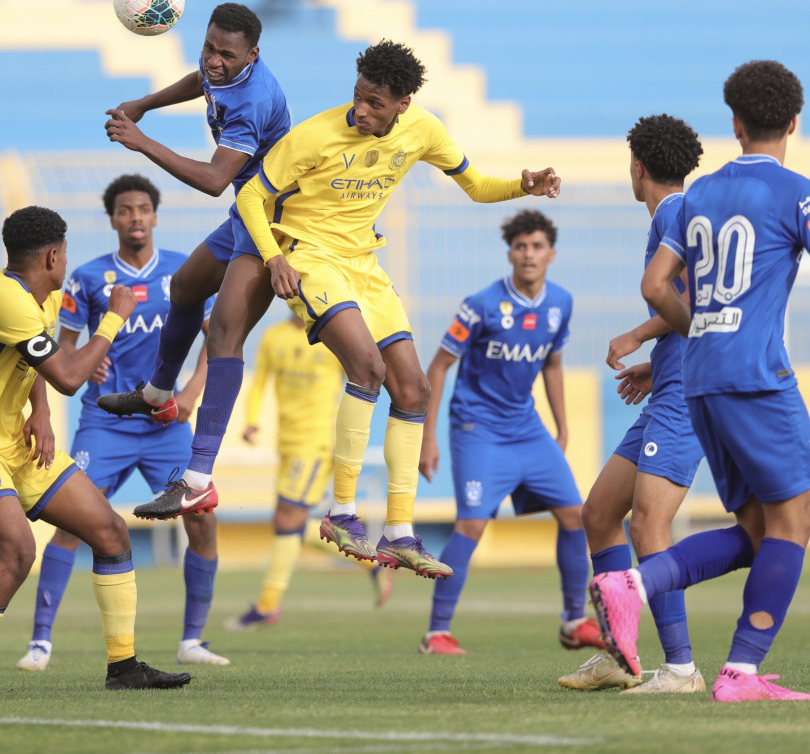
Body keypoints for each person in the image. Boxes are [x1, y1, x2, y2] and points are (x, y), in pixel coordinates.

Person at [590, 60, 810, 702]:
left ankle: (647, 599)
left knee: (758, 531)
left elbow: (654, 286)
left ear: (736, 122)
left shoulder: (697, 195)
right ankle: (717, 654)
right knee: (795, 522)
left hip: (700, 381)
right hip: (758, 379)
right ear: (794, 122)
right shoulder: (799, 192)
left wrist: (702, 329)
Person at [235, 39, 560, 579]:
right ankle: (342, 514)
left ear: (403, 103)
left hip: (365, 263)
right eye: (358, 96)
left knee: (413, 389)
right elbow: (250, 196)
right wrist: (273, 259)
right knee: (367, 368)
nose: (361, 109)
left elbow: (476, 186)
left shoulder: (423, 131)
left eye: (376, 103)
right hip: (310, 257)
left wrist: (519, 185)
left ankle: (400, 533)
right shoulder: (315, 134)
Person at [0, 205, 190, 697]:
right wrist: (113, 319)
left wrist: (39, 413)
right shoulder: (8, 300)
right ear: (51, 256)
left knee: (109, 531)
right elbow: (68, 376)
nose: (66, 261)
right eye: (64, 253)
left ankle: (124, 667)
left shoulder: (37, 297)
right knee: (18, 550)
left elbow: (38, 361)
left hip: (16, 444)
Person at [15, 175, 228, 672]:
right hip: (104, 421)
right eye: (125, 210)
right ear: (113, 219)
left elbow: (218, 340)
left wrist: (191, 394)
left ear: (155, 216)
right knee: (71, 523)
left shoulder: (184, 272)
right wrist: (88, 359)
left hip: (166, 424)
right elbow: (62, 350)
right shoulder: (87, 278)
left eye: (143, 209)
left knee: (202, 518)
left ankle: (192, 640)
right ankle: (40, 642)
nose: (135, 217)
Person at [96, 3, 291, 521]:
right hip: (247, 212)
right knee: (183, 288)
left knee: (224, 335)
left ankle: (198, 480)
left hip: (274, 224)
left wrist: (141, 142)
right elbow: (201, 81)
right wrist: (145, 102)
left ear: (253, 54)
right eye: (208, 47)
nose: (213, 60)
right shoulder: (222, 70)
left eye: (226, 54)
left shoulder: (253, 99)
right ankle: (158, 393)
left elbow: (212, 180)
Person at [559, 114, 708, 694]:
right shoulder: (681, 212)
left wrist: (639, 336)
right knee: (599, 514)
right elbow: (690, 308)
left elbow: (688, 297)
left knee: (650, 523)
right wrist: (659, 359)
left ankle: (681, 669)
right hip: (670, 386)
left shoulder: (673, 213)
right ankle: (621, 656)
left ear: (638, 168)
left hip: (687, 397)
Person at [415, 210, 599, 654]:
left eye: (537, 246)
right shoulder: (479, 305)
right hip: (477, 428)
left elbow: (553, 364)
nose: (529, 254)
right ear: (510, 253)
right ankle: (437, 632)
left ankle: (574, 620)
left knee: (577, 516)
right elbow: (438, 367)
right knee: (473, 524)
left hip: (527, 428)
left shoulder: (561, 304)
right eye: (521, 246)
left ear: (551, 254)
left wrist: (562, 426)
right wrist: (428, 436)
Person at [224, 312, 390, 630]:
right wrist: (252, 420)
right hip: (287, 442)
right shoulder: (274, 337)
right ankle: (370, 563)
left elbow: (365, 377)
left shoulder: (333, 336)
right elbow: (260, 382)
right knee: (292, 525)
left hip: (318, 442)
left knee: (288, 519)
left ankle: (267, 605)